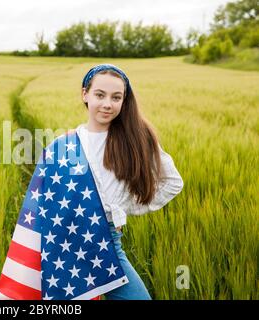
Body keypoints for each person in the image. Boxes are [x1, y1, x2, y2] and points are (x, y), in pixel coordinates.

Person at [77, 64, 185, 299]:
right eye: (100, 95)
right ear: (85, 94)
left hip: (108, 243)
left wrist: (123, 208)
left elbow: (173, 182)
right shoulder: (69, 142)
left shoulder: (136, 138)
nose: (108, 103)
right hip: (68, 240)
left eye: (116, 97)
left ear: (125, 101)